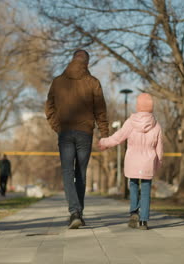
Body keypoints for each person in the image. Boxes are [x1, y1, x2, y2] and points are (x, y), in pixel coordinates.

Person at [45, 49, 109, 229]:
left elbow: (49, 109)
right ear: (87, 63)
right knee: (80, 173)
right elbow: (101, 111)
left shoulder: (58, 82)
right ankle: (77, 212)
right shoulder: (93, 83)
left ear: (72, 60)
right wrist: (104, 134)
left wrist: (58, 128)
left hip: (65, 133)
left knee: (67, 172)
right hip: (85, 134)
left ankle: (74, 212)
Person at [98, 93, 163, 230]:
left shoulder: (131, 122)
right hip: (148, 163)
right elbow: (159, 150)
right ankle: (144, 221)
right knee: (146, 191)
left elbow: (118, 137)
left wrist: (105, 142)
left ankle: (134, 213)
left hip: (132, 161)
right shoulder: (156, 125)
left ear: (138, 106)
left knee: (133, 186)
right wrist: (157, 165)